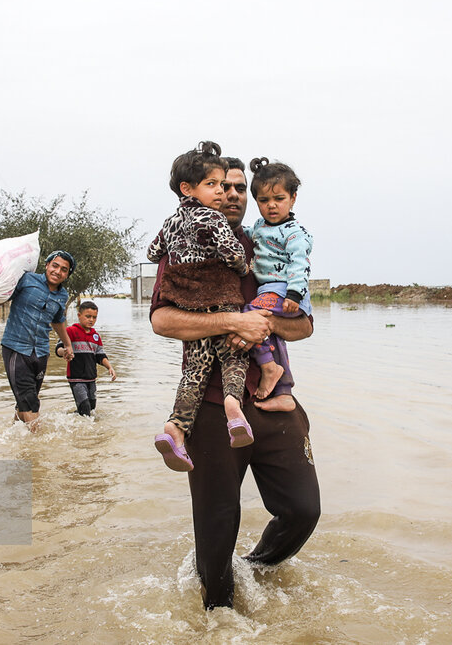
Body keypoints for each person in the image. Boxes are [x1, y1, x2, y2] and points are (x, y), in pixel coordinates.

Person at [150, 156, 321, 610]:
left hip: (271, 402)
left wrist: (260, 321)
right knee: (215, 526)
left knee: (303, 510)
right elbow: (162, 320)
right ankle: (219, 617)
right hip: (210, 410)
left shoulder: (271, 245)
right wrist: (231, 320)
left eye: (241, 189)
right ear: (200, 191)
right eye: (223, 186)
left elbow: (303, 327)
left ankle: (257, 567)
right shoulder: (187, 243)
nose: (233, 195)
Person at [147, 141, 253, 473]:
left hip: (189, 305)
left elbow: (152, 252)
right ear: (187, 188)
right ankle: (234, 408)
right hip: (221, 299)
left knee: (195, 371)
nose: (223, 193)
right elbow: (232, 253)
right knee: (234, 357)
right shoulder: (213, 219)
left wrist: (174, 250)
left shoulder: (169, 223)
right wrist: (243, 269)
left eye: (229, 186)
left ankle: (175, 429)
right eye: (215, 185)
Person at [0, 250, 75, 432]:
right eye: (55, 266)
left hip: (41, 352)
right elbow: (3, 298)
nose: (58, 272)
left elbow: (58, 321)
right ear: (47, 265)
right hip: (16, 348)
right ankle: (39, 448)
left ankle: (14, 439)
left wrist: (67, 344)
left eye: (64, 270)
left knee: (26, 399)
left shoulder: (62, 296)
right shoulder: (26, 280)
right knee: (31, 402)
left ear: (67, 275)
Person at [243, 157, 314, 412]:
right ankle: (284, 392)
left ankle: (268, 367)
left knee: (249, 315)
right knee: (273, 336)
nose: (271, 206)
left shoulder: (294, 233)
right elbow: (248, 236)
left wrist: (294, 293)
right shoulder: (260, 226)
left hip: (286, 290)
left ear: (293, 198)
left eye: (279, 199)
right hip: (269, 290)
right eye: (264, 200)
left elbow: (299, 265)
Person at [55, 300, 117, 416]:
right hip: (76, 378)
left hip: (91, 378)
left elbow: (100, 355)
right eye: (88, 316)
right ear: (79, 316)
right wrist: (64, 351)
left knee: (92, 408)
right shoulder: (70, 331)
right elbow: (58, 348)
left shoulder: (95, 336)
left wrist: (110, 367)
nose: (91, 320)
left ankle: (69, 417)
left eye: (94, 317)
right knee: (85, 407)